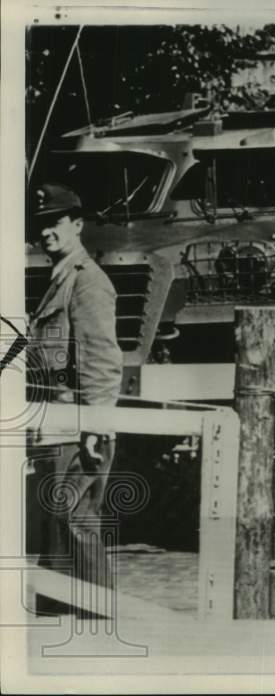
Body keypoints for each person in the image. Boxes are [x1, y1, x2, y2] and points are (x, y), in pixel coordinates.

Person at [28, 183, 123, 602]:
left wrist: (96, 426)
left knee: (77, 523)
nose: (47, 231)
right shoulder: (59, 280)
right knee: (56, 525)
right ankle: (58, 620)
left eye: (55, 222)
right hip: (55, 426)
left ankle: (99, 619)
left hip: (77, 427)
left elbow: (101, 358)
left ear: (78, 225)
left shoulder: (88, 283)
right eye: (41, 224)